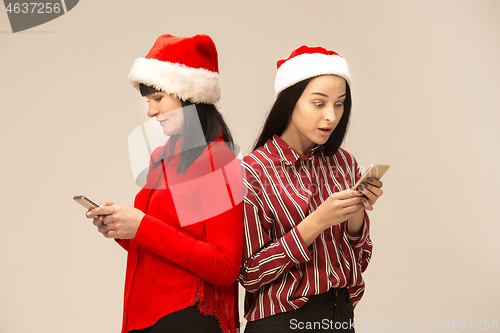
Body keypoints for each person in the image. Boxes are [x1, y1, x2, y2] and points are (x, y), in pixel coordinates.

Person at [86, 34, 243, 333]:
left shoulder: (216, 160)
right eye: (149, 101)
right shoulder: (162, 157)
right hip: (144, 314)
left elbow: (224, 265)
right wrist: (123, 228)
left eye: (158, 99)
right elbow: (164, 240)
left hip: (186, 317)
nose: (151, 111)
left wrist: (142, 226)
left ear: (190, 97)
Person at [238, 46, 384, 332]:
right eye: (319, 103)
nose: (331, 116)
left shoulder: (343, 163)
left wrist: (356, 213)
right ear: (289, 101)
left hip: (341, 314)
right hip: (282, 320)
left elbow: (361, 259)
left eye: (339, 103)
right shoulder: (251, 172)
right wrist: (317, 221)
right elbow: (250, 273)